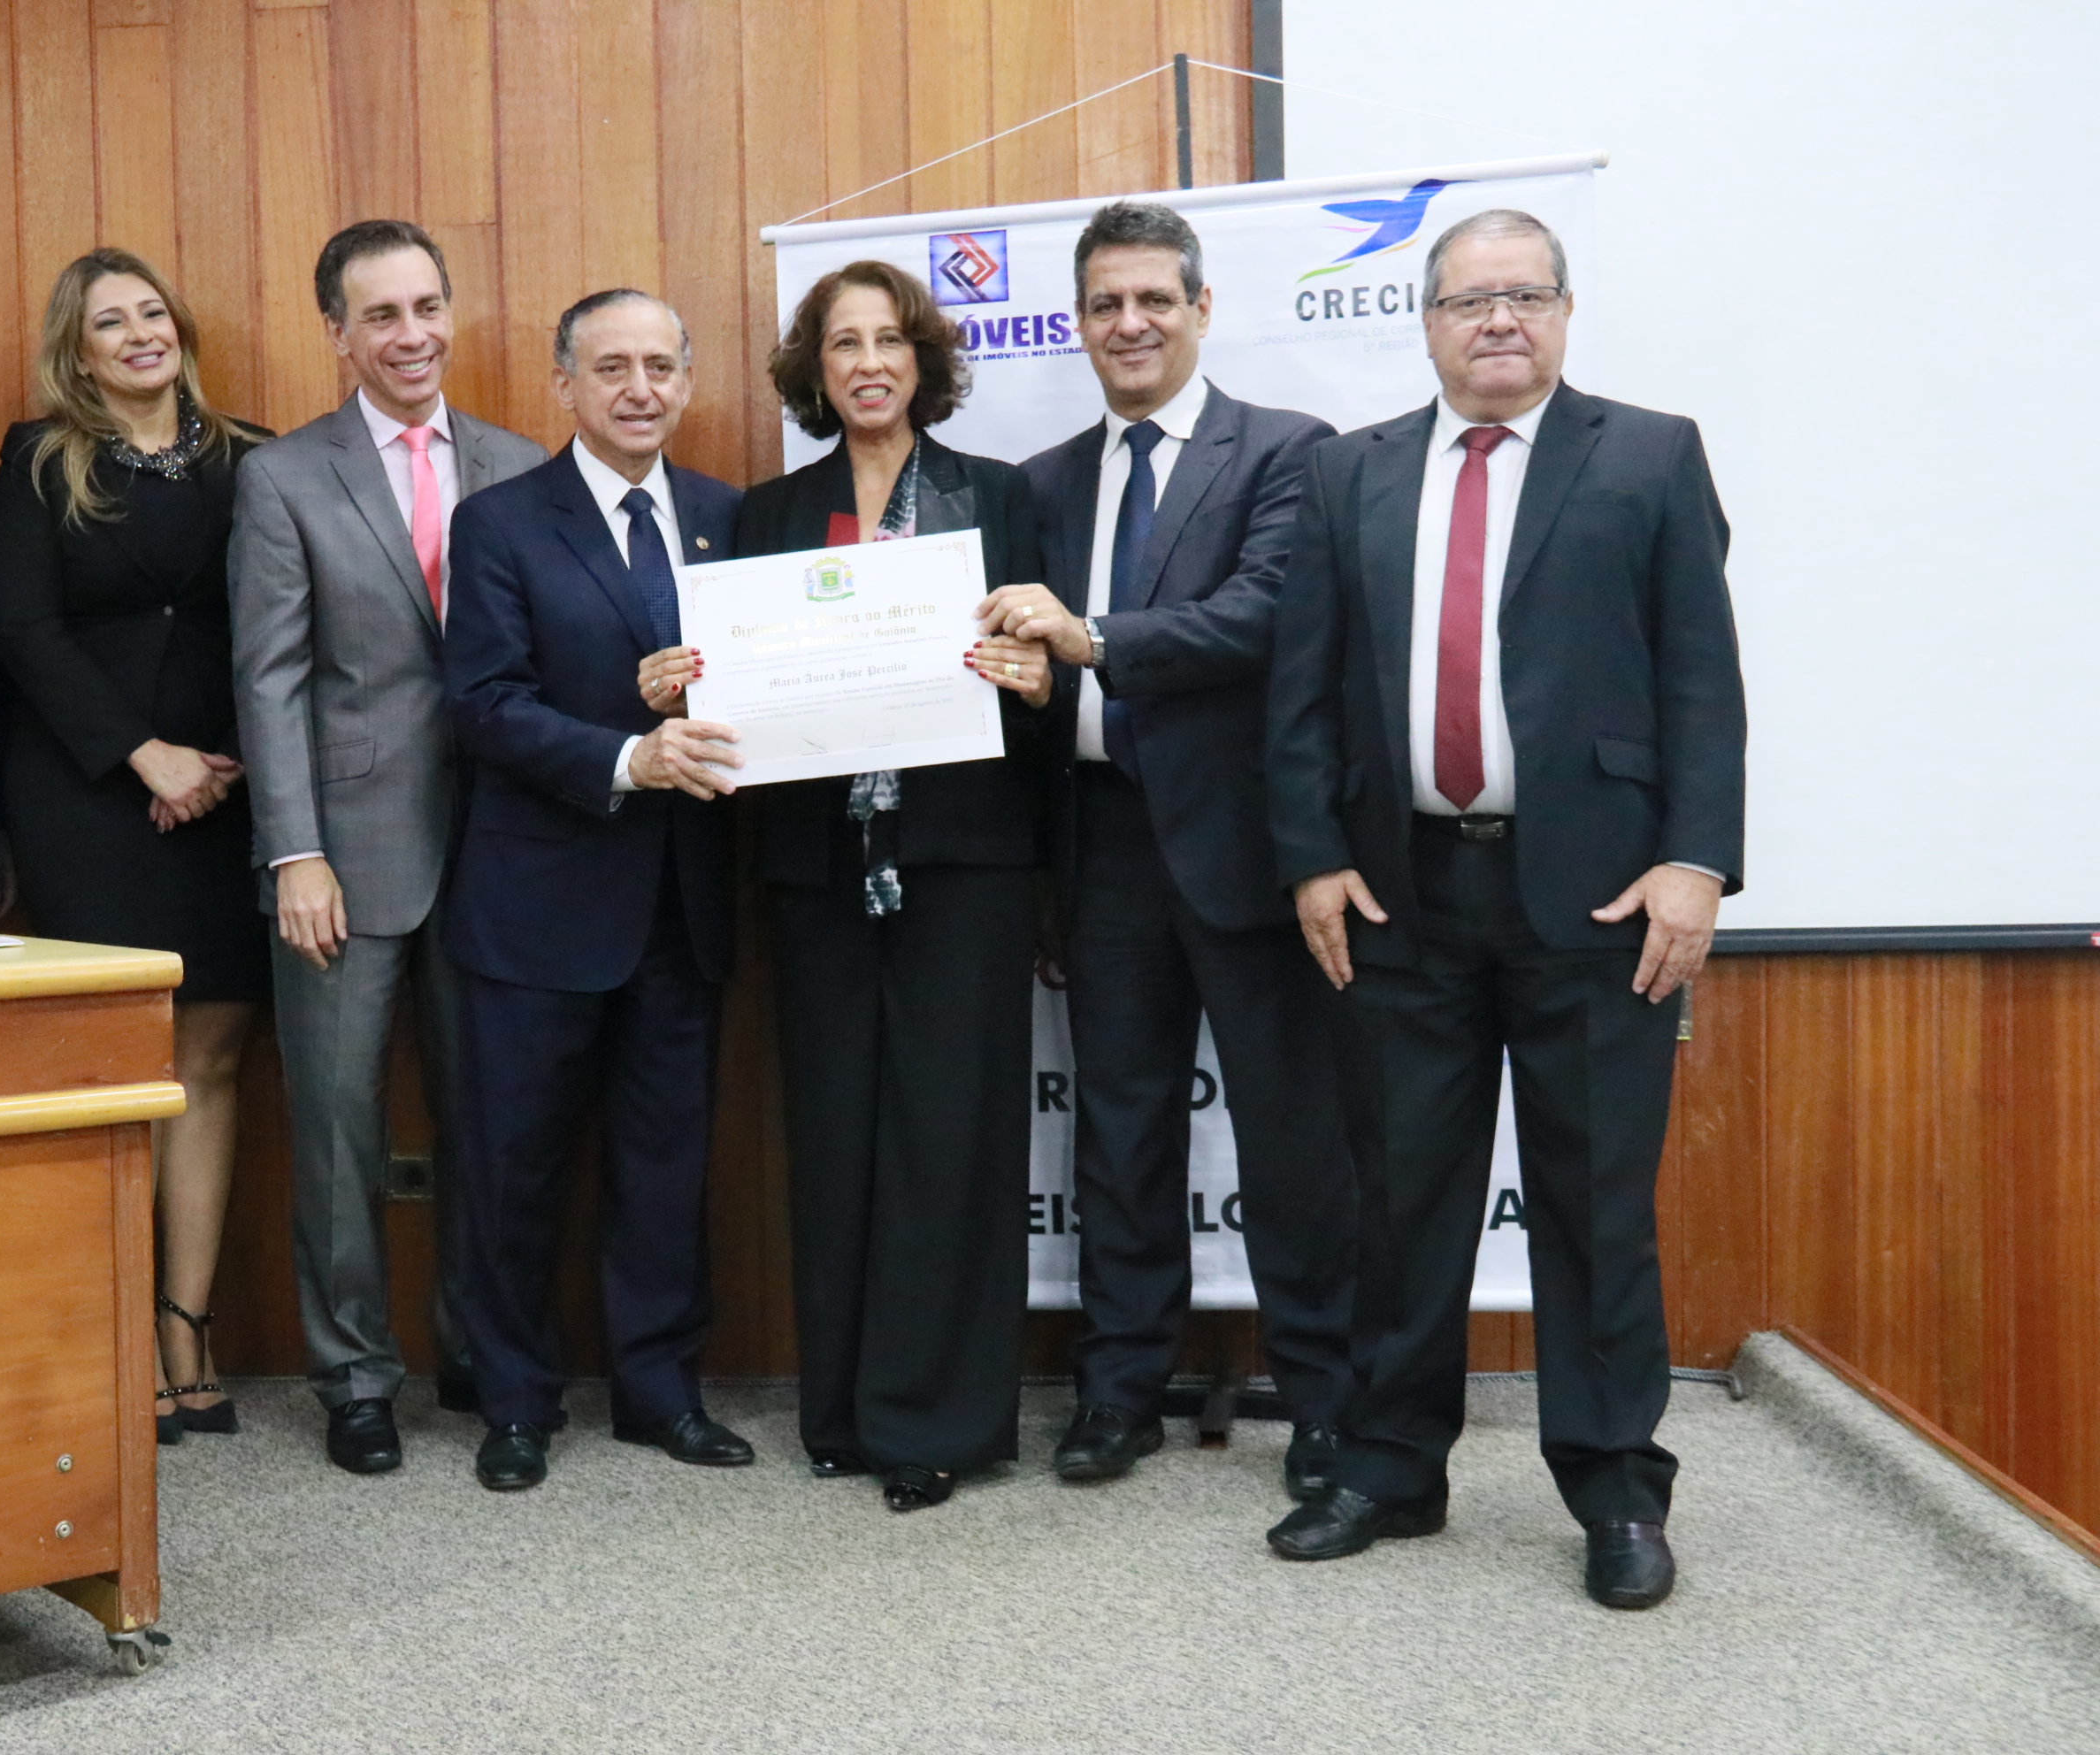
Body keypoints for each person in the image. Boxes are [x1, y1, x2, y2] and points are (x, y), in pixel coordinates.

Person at [1264, 209, 1744, 1609]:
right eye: (1470, 300)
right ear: (1424, 323)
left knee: (1595, 1207)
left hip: (1599, 897)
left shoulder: (1649, 456)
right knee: (1405, 1199)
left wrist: (1697, 861)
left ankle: (1616, 1490)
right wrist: (1310, 854)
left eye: (1525, 296)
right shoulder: (1349, 473)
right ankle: (1390, 1467)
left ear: (1565, 313)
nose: (1498, 321)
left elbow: (1702, 676)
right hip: (1400, 890)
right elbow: (1301, 687)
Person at [979, 202, 1355, 1496]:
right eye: (1105, 304)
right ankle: (1118, 1392)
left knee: (1291, 1137)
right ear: (1079, 325)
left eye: (1153, 299)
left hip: (1250, 849)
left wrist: (1088, 638)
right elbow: (1026, 681)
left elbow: (1262, 616)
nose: (1128, 323)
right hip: (1101, 846)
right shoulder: (1041, 484)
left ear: (1200, 308)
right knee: (1120, 1134)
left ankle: (1325, 1404)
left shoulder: (1289, 452)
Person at [682, 261, 1057, 1513]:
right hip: (817, 870)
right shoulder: (770, 515)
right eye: (843, 343)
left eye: (890, 339)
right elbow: (743, 695)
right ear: (817, 369)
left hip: (964, 864)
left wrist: (1037, 682)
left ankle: (936, 1422)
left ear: (923, 358)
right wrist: (688, 684)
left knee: (951, 1137)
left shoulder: (998, 498)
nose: (868, 363)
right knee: (836, 1134)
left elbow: (1044, 694)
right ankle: (842, 1407)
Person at [231, 220, 545, 1475]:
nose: (411, 336)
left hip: (505, 847)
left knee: (493, 1119)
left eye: (426, 308)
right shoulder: (284, 478)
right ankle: (355, 1376)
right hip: (347, 858)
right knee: (337, 1129)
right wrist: (292, 854)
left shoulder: (520, 463)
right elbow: (269, 680)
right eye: (381, 316)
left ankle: (482, 1350)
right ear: (339, 335)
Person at [441, 288, 747, 1493]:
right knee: (515, 1168)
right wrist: (630, 753)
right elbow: (484, 705)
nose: (639, 389)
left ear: (688, 382)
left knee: (667, 1165)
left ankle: (660, 1394)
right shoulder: (500, 522)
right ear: (564, 385)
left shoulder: (728, 518)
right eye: (611, 367)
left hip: (684, 901)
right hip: (538, 902)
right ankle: (515, 1402)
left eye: (660, 366)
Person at [0, 248, 271, 1445]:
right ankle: (119, 1340)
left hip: (227, 790)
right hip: (90, 794)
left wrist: (223, 760)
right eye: (112, 322)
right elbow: (24, 631)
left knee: (210, 1059)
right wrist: (142, 755)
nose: (140, 334)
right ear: (79, 350)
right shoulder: (38, 461)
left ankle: (186, 1324)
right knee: (116, 1066)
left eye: (153, 312)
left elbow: (284, 621)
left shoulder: (253, 459)